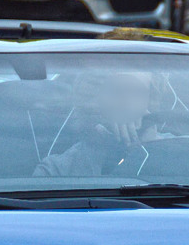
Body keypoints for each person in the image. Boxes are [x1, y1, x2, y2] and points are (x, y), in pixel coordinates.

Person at [34, 71, 169, 177]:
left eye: (138, 92)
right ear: (94, 99)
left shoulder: (183, 150)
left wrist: (154, 148)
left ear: (151, 101)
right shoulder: (57, 170)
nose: (127, 103)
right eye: (116, 90)